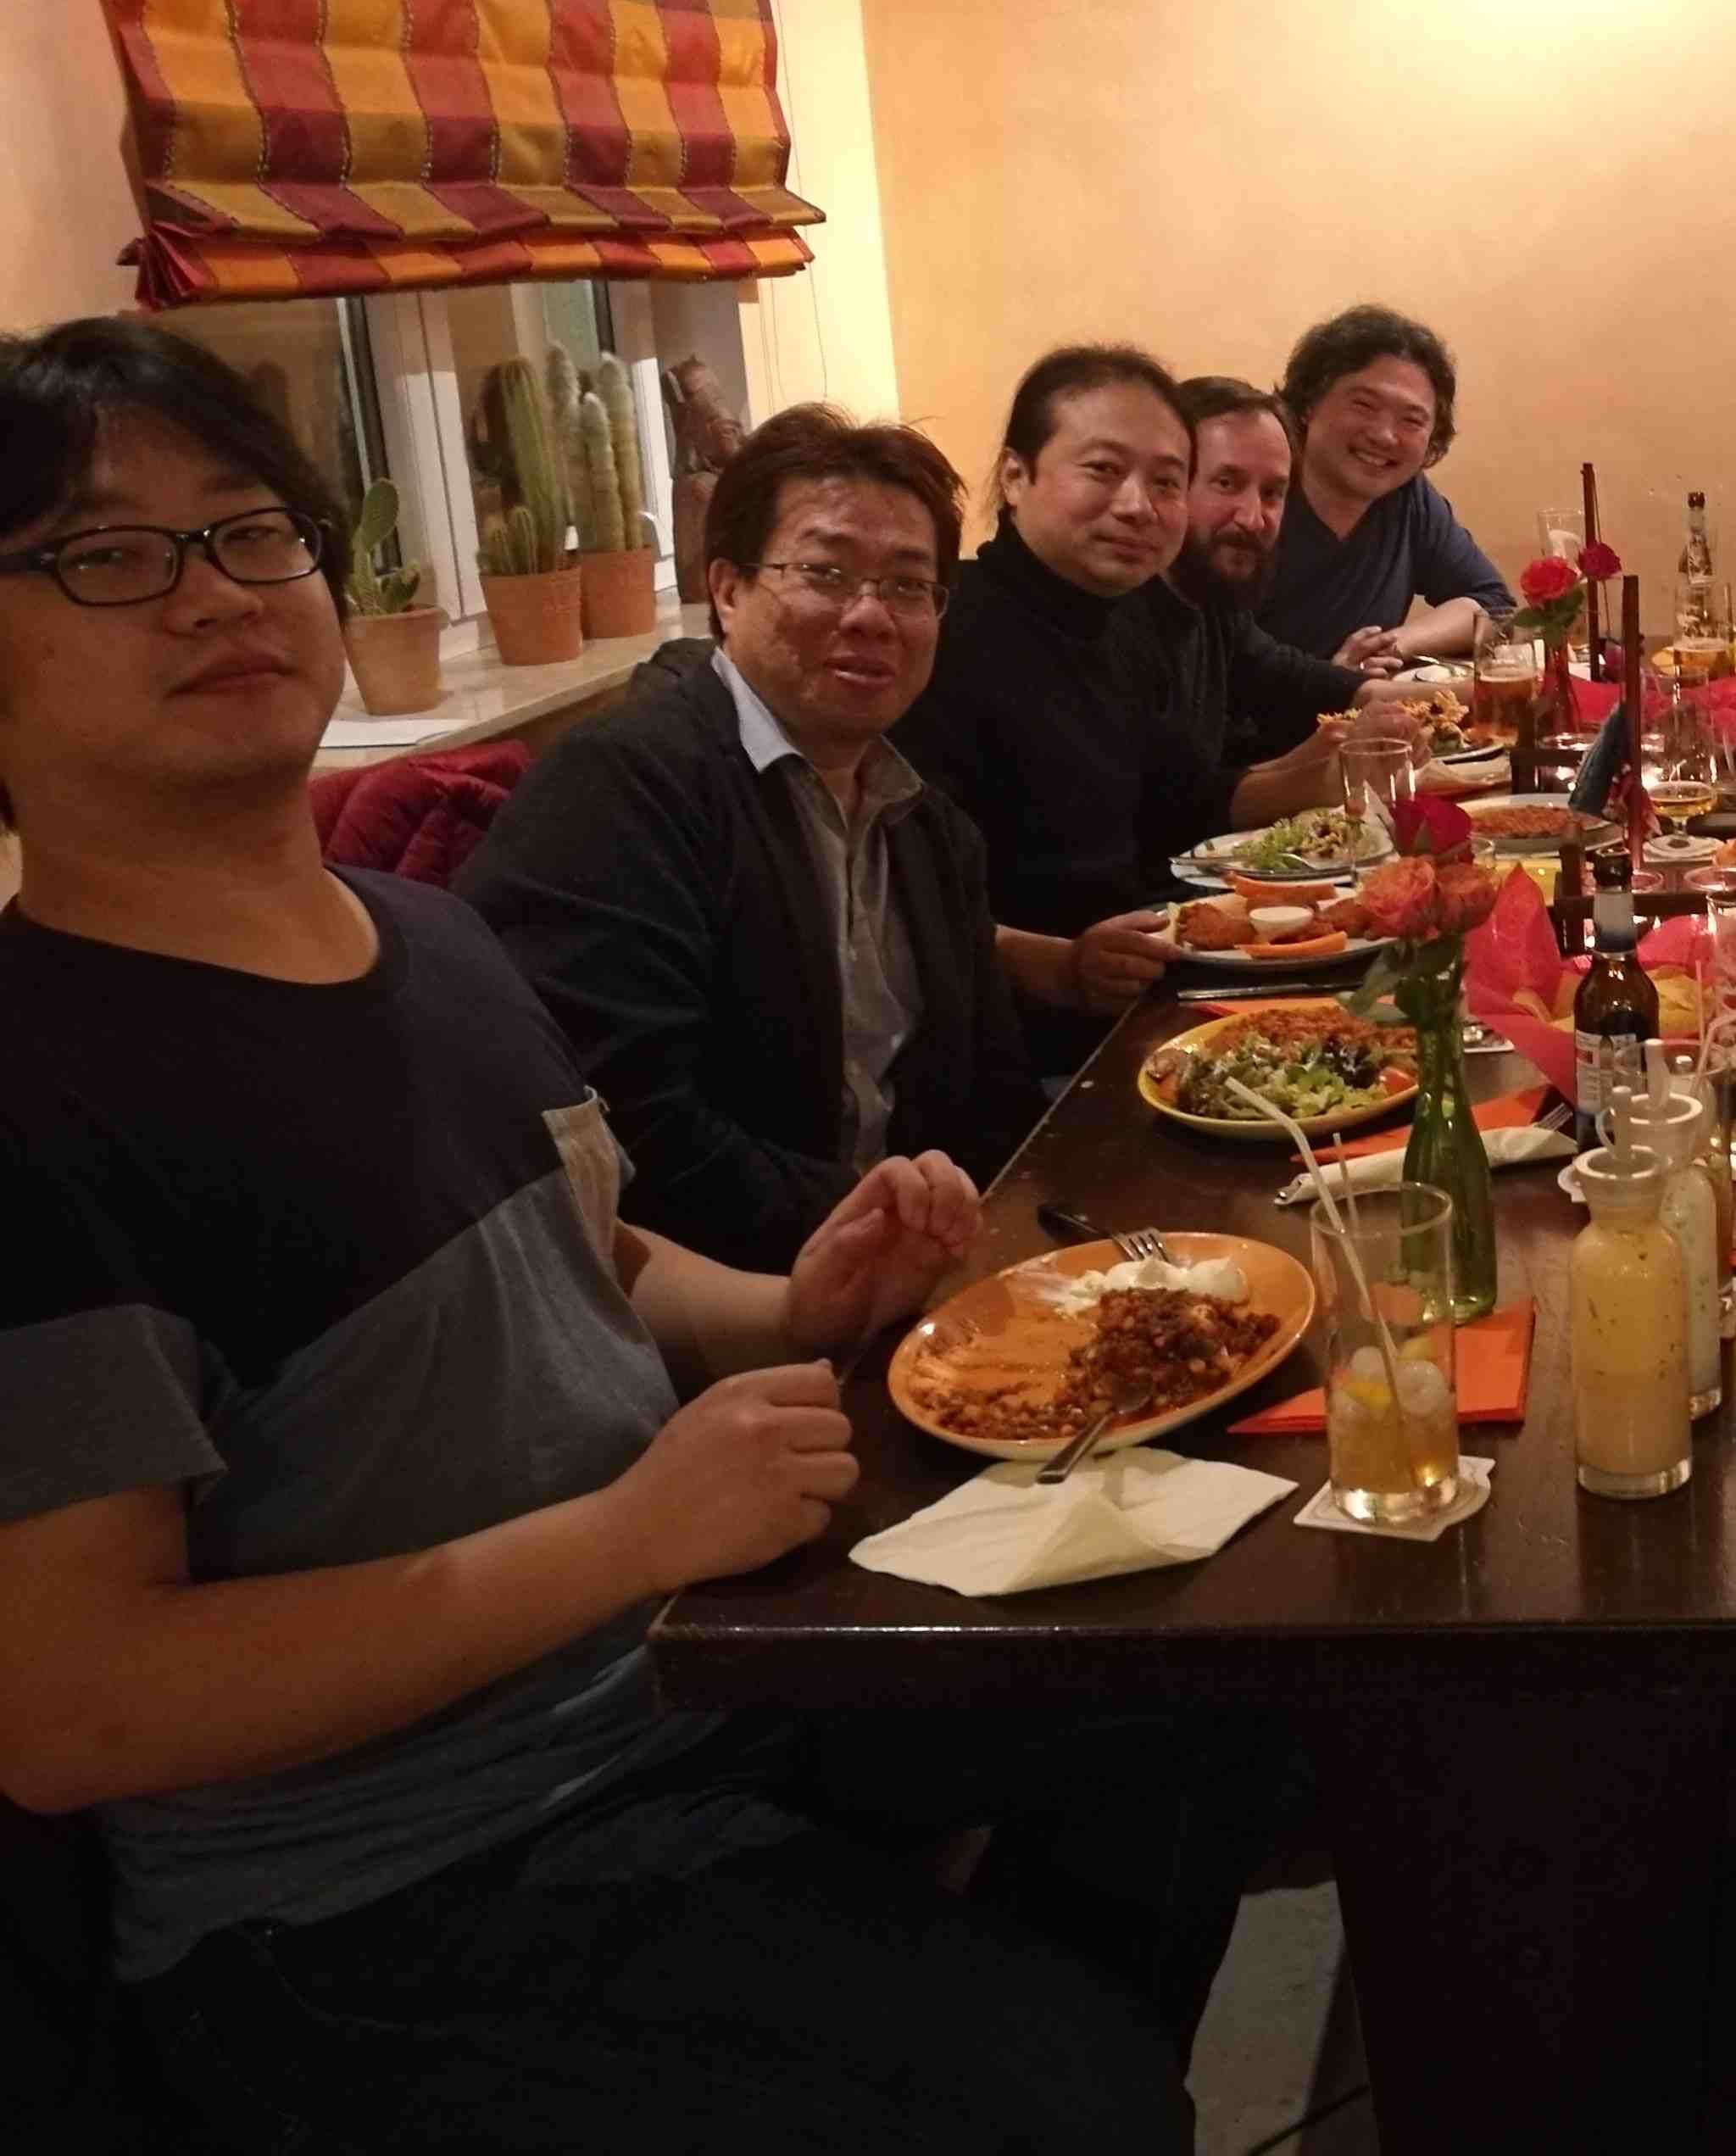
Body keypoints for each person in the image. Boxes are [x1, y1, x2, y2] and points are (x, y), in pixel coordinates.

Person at [0, 318, 1191, 2151]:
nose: (214, 593)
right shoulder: (42, 1088)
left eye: (252, 530)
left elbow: (601, 1255)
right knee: (1058, 2093)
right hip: (375, 1891)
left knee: (1208, 1711)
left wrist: (792, 1300)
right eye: (105, 553)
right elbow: (74, 1707)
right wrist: (631, 1532)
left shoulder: (426, 939)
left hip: (687, 1674)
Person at [459, 407, 1040, 1271]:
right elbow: (627, 1132)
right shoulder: (619, 789)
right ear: (727, 590)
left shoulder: (926, 823)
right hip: (724, 1304)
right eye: (825, 572)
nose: (871, 615)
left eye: (908, 585)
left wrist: (1013, 1243)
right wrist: (882, 1240)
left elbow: (991, 1095)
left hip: (922, 1273)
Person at [892, 348, 1347, 1062]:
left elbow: (1179, 798)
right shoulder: (945, 633)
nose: (1138, 506)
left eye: (1165, 482)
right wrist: (1062, 965)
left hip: (1144, 994)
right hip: (1022, 1051)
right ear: (1015, 476)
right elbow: (898, 898)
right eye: (1103, 469)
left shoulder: (1116, 619)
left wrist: (1326, 771)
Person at [1115, 374, 1389, 772]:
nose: (1253, 519)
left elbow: (1301, 682)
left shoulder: (1209, 598)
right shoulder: (1115, 618)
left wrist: (1473, 693)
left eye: (1272, 493)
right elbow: (1155, 804)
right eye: (1227, 483)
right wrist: (1299, 773)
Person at [1249, 305, 1511, 669]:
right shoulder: (1255, 498)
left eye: (1412, 420)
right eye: (1364, 405)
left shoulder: (1407, 497)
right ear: (1309, 403)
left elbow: (1491, 605)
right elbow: (1219, 657)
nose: (1385, 436)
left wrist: (1391, 645)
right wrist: (1331, 682)